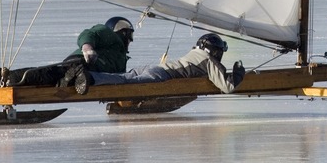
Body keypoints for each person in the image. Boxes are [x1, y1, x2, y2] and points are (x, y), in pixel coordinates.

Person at [0, 16, 134, 90]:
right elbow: (90, 33)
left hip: (89, 71)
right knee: (51, 74)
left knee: (55, 80)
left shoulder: (120, 55)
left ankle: (67, 80)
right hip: (82, 61)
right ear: (122, 32)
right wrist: (87, 48)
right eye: (129, 35)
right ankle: (9, 77)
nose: (130, 40)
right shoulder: (110, 35)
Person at [86, 33, 245, 95]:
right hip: (161, 74)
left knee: (123, 77)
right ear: (214, 50)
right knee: (126, 82)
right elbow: (227, 87)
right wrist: (238, 73)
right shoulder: (208, 60)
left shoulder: (196, 53)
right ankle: (90, 78)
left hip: (155, 68)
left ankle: (90, 76)